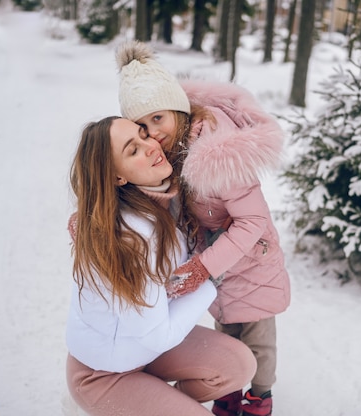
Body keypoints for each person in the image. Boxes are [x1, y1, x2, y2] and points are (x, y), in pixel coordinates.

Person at [115, 41, 291, 416]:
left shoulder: (216, 152)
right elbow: (155, 191)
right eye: (142, 126)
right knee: (225, 328)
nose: (152, 132)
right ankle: (229, 388)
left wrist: (202, 266)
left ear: (178, 108)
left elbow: (252, 219)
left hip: (251, 262)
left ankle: (260, 396)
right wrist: (100, 214)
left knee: (258, 339)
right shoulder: (173, 147)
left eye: (158, 119)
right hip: (219, 260)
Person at [65, 116, 256, 416]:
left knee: (239, 365)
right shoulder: (128, 240)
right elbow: (157, 334)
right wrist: (209, 278)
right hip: (104, 374)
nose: (151, 146)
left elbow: (167, 285)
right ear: (116, 177)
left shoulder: (166, 197)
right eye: (133, 150)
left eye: (144, 135)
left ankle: (159, 399)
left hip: (146, 350)